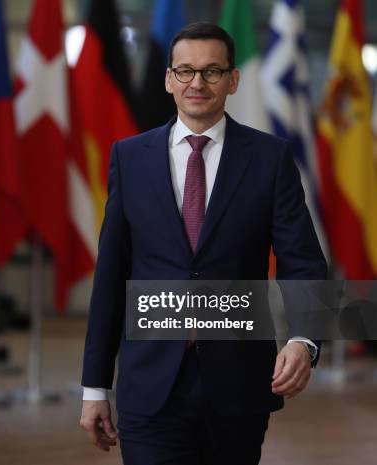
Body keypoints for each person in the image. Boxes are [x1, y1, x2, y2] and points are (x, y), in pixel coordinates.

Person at [79, 22, 327, 465]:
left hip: (238, 387)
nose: (198, 82)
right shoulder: (129, 159)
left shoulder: (270, 159)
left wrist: (304, 339)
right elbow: (111, 278)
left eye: (212, 71)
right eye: (186, 70)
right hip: (149, 386)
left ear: (233, 80)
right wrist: (94, 388)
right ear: (169, 79)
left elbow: (303, 261)